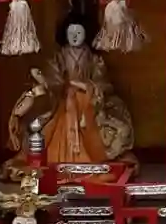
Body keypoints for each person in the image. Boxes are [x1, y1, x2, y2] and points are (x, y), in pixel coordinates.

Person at [7, 14, 136, 170]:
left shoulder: (95, 60)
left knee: (107, 122)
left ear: (86, 34)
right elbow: (52, 78)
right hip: (63, 101)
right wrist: (56, 85)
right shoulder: (58, 57)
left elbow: (103, 82)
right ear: (65, 34)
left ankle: (91, 159)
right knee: (47, 126)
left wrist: (88, 86)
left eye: (79, 32)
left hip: (88, 101)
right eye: (71, 32)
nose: (75, 36)